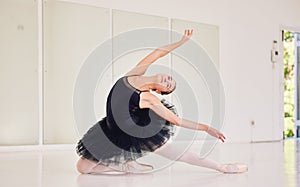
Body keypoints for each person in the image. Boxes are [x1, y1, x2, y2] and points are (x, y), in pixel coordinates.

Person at [76, 29, 248, 174]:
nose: (168, 80)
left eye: (169, 85)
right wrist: (181, 42)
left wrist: (207, 128)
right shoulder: (134, 74)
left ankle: (223, 167)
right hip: (110, 128)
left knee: (180, 155)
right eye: (170, 79)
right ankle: (123, 166)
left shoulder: (147, 97)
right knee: (82, 168)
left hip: (133, 134)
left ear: (158, 91)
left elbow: (177, 121)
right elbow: (158, 53)